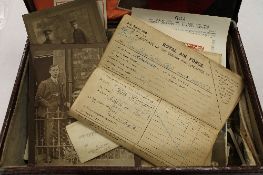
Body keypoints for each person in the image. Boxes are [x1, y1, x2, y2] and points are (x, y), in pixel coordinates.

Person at [35, 64, 65, 163]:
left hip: (57, 112)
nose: (55, 72)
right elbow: (38, 98)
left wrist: (64, 103)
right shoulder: (44, 83)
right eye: (53, 70)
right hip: (48, 112)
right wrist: (48, 105)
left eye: (57, 70)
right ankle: (47, 155)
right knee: (48, 133)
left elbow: (60, 97)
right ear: (50, 72)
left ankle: (53, 153)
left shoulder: (59, 83)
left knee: (55, 132)